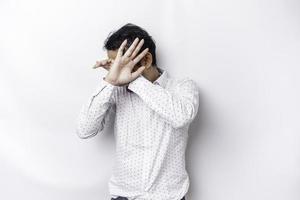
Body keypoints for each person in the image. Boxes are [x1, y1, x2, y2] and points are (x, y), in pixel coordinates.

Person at [76, 23, 199, 200]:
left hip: (169, 196)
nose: (116, 70)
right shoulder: (116, 90)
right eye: (114, 64)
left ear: (147, 60)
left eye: (121, 64)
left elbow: (180, 117)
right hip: (123, 196)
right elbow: (84, 129)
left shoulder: (183, 87)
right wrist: (109, 82)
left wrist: (133, 81)